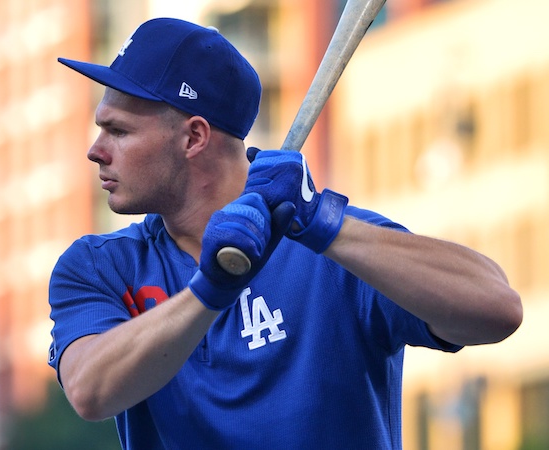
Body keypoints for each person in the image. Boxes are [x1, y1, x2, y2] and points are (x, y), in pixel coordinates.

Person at [47, 17, 522, 449]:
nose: (96, 151)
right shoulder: (100, 265)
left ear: (193, 137)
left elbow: (498, 309)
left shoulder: (335, 245)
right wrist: (211, 289)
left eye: (119, 131)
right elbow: (91, 391)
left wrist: (323, 224)